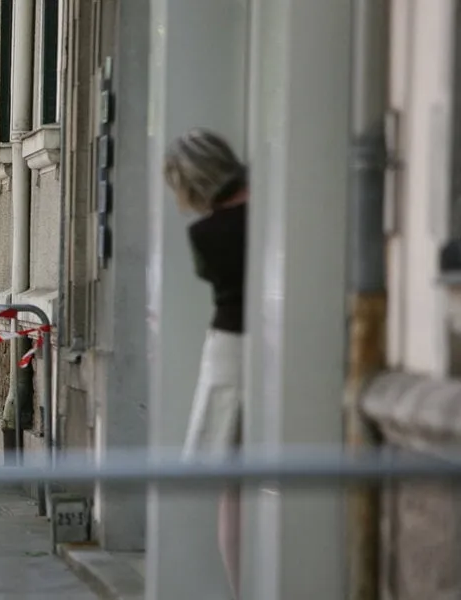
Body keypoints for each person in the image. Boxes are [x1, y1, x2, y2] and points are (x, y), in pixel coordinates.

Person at [164, 128, 247, 599]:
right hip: (269, 345)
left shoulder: (207, 234)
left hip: (230, 350)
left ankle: (239, 590)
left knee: (229, 486)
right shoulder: (274, 208)